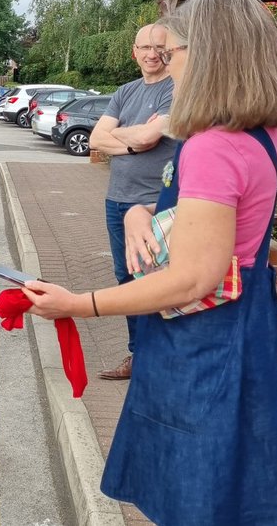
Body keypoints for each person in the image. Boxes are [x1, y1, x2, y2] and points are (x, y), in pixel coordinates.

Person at [22, 0, 277, 523]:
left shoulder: (212, 145)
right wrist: (139, 211)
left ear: (210, 55)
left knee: (193, 490)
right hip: (249, 327)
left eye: (172, 55)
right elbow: (221, 221)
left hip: (203, 340)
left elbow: (193, 277)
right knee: (238, 484)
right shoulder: (265, 133)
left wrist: (79, 304)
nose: (167, 70)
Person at [87, 23, 176, 380]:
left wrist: (120, 135)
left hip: (154, 203)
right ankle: (138, 356)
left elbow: (151, 138)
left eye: (159, 46)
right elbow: (96, 138)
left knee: (157, 282)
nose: (152, 53)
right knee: (126, 278)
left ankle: (159, 360)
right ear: (134, 51)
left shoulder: (177, 89)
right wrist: (130, 141)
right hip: (117, 201)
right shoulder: (126, 91)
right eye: (145, 47)